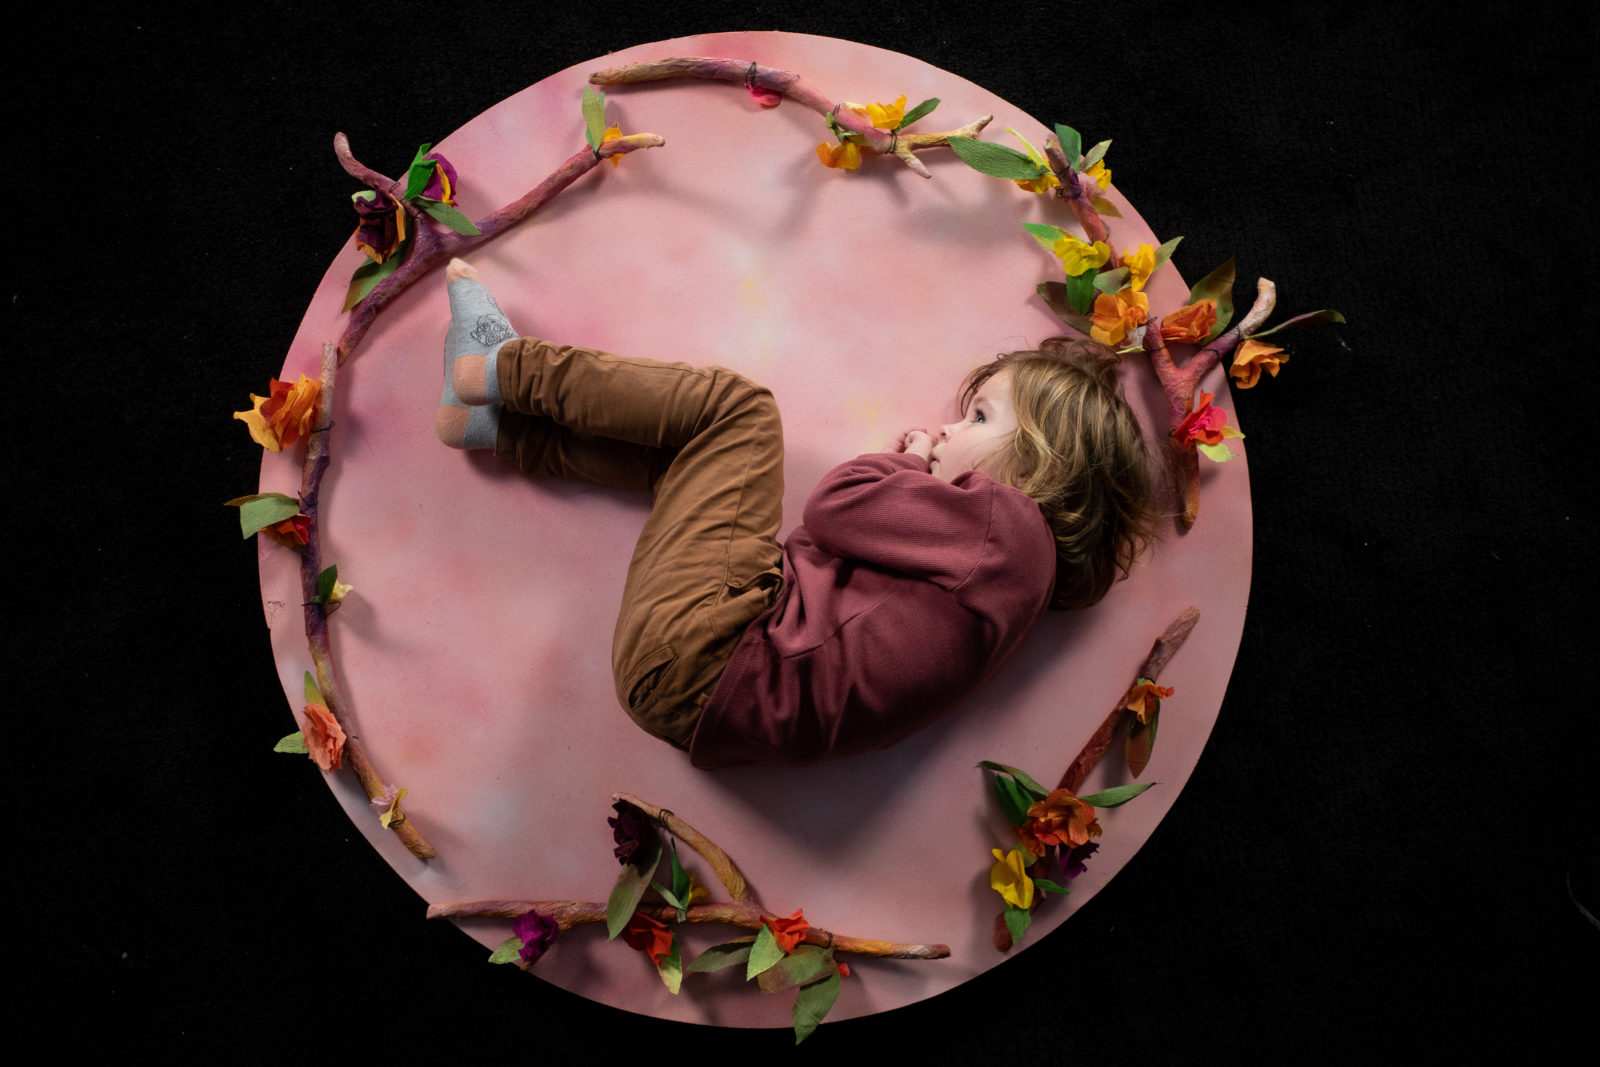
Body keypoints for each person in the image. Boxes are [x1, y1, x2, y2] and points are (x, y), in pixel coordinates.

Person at [436, 259, 1157, 768]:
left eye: (978, 415)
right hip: (699, 711)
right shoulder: (995, 588)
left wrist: (907, 463)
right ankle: (507, 429)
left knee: (739, 414)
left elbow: (833, 505)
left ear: (1041, 464)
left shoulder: (1008, 532)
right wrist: (921, 473)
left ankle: (504, 366)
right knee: (691, 463)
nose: (948, 429)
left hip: (710, 656)